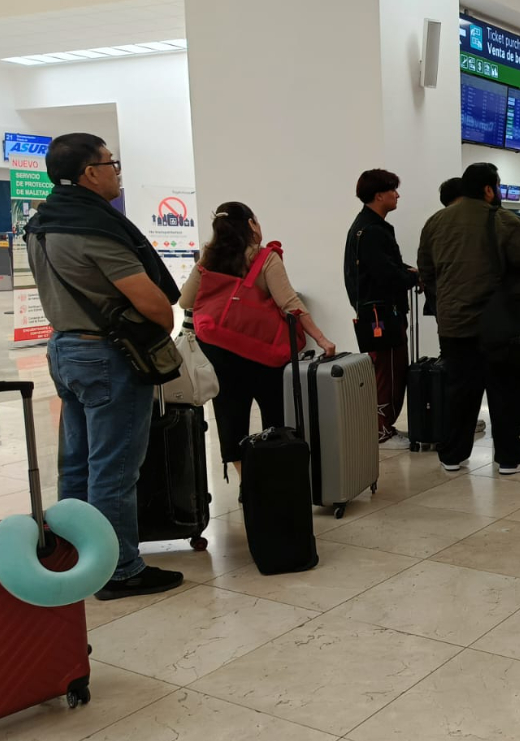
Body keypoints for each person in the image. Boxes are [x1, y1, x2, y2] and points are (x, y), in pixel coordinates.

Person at [26, 133, 184, 600]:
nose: (117, 170)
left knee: (75, 464)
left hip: (64, 349)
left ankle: (76, 558)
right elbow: (155, 304)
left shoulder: (43, 223)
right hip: (106, 356)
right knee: (113, 468)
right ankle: (118, 569)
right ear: (90, 173)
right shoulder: (94, 227)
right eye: (111, 162)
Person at [417, 162, 520, 474]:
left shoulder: (435, 222)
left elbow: (426, 271)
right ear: (490, 189)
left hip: (452, 325)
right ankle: (509, 458)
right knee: (504, 391)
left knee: (460, 392)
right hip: (497, 324)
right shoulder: (502, 219)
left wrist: (445, 301)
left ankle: (452, 455)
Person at [184, 200, 335, 463]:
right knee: (275, 418)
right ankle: (272, 477)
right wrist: (321, 338)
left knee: (231, 419)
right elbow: (290, 305)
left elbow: (186, 300)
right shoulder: (265, 257)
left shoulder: (208, 261)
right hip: (264, 355)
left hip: (220, 354)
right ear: (251, 224)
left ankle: (247, 486)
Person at [344, 169, 418, 448]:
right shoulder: (372, 230)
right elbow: (387, 275)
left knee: (390, 368)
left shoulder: (367, 226)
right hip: (380, 315)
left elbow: (386, 267)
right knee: (386, 370)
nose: (397, 195)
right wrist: (414, 277)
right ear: (379, 195)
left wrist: (406, 271)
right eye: (393, 190)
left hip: (379, 311)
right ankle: (381, 431)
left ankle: (384, 427)